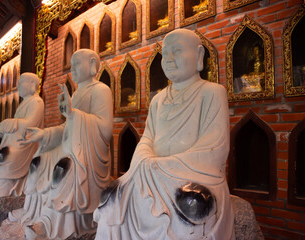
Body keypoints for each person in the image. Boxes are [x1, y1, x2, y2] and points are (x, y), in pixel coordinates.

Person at [94, 29, 235, 240]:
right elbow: (148, 138)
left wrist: (165, 166)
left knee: (192, 204)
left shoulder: (212, 92)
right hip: (151, 172)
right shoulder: (158, 100)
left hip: (191, 174)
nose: (168, 59)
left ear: (198, 56)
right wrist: (144, 159)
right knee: (112, 196)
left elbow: (215, 146)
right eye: (165, 53)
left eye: (177, 51)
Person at [9, 49, 113, 239]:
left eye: (76, 64)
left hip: (86, 155)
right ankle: (32, 212)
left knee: (62, 168)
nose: (71, 69)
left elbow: (105, 131)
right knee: (37, 161)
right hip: (69, 148)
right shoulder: (77, 94)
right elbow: (66, 128)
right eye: (71, 65)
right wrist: (43, 134)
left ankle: (50, 225)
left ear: (91, 65)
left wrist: (75, 115)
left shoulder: (101, 90)